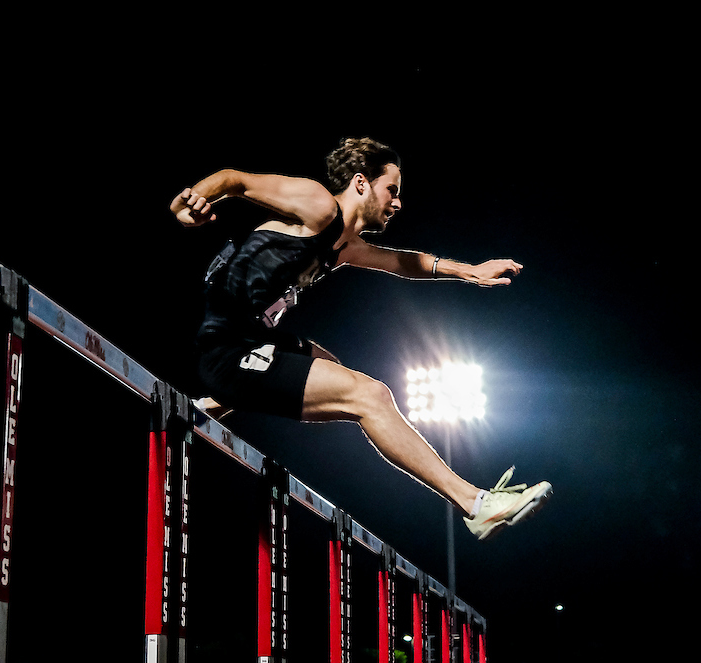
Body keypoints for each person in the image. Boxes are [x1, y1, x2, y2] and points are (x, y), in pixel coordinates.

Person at [171, 137, 550, 540]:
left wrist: (468, 271)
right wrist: (187, 204)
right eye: (392, 190)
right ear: (360, 183)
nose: (398, 203)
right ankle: (475, 503)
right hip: (227, 349)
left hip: (254, 342)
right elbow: (235, 180)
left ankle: (210, 405)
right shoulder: (318, 204)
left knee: (327, 366)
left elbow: (404, 263)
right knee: (371, 396)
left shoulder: (347, 246)